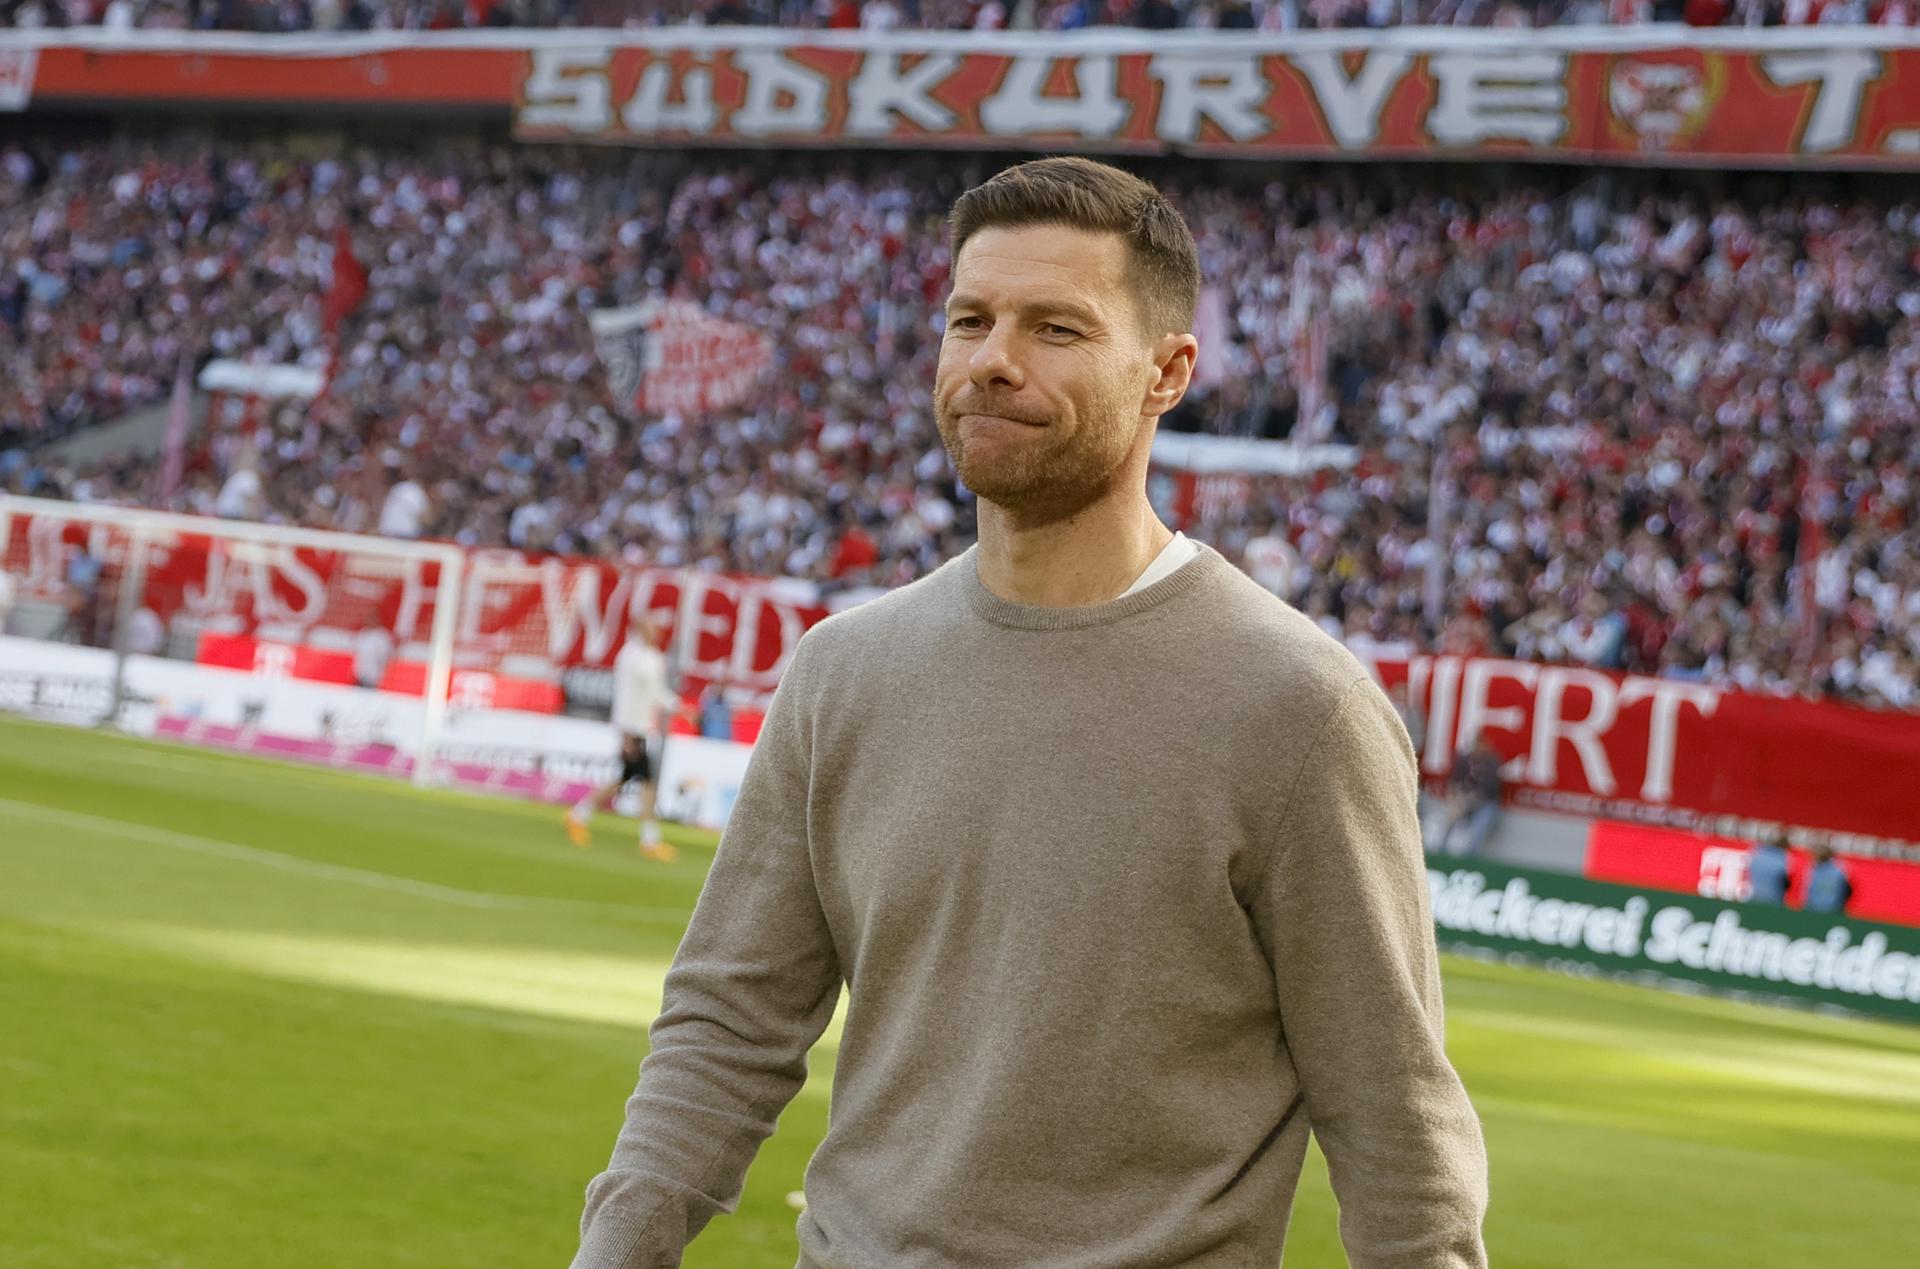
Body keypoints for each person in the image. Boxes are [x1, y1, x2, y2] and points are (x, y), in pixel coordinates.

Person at [572, 157, 1487, 1268]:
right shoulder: (843, 673)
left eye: (1057, 329)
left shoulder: (1300, 709)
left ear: (1169, 373)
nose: (994, 361)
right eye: (971, 319)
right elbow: (726, 1025)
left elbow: (1396, 1128)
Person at [565, 612, 683, 863]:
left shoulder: (648, 657)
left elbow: (654, 692)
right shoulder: (634, 657)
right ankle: (649, 839)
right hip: (633, 729)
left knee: (625, 778)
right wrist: (626, 733)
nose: (657, 632)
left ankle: (578, 815)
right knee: (647, 781)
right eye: (651, 627)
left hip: (638, 728)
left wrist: (678, 706)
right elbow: (630, 695)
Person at [1441, 734, 1506, 857]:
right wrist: (1459, 796)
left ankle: (1470, 856)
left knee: (1479, 828)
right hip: (1465, 799)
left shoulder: (1492, 762)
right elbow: (1454, 781)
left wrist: (1476, 797)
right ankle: (1441, 850)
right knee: (1451, 815)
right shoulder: (1464, 760)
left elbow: (1492, 788)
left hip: (1484, 802)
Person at [1802, 844, 1854, 914]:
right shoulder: (1812, 869)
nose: (1814, 857)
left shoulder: (1840, 870)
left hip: (1832, 910)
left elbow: (1847, 891)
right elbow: (1808, 890)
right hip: (1812, 909)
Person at [1747, 833, 1791, 904]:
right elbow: (1784, 883)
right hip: (1772, 900)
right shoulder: (1780, 860)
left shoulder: (1758, 854)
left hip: (1754, 897)